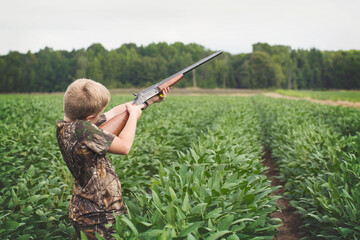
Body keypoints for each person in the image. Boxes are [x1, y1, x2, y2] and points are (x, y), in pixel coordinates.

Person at [56, 78, 169, 239]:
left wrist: (145, 101)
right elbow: (124, 146)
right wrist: (133, 116)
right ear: (89, 119)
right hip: (99, 215)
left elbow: (113, 113)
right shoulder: (83, 130)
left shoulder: (69, 127)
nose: (103, 114)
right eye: (99, 113)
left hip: (84, 209)